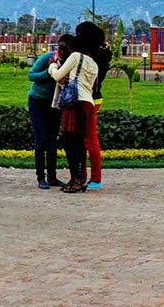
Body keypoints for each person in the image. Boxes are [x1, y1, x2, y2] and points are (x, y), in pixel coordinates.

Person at [49, 34, 99, 193]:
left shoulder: (76, 57)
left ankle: (77, 179)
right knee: (79, 143)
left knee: (70, 143)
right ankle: (79, 178)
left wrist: (52, 66)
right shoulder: (94, 64)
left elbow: (57, 75)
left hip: (74, 104)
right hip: (87, 104)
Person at [27, 34, 71, 189]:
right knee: (41, 137)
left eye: (66, 50)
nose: (63, 52)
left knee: (52, 139)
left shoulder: (69, 63)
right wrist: (48, 73)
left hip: (55, 103)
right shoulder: (47, 58)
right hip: (38, 101)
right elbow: (31, 75)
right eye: (61, 49)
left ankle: (52, 176)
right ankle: (41, 177)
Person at [76, 21, 111, 191]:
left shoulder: (88, 56)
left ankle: (95, 178)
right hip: (96, 98)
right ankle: (85, 175)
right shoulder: (102, 54)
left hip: (86, 98)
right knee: (86, 139)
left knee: (89, 139)